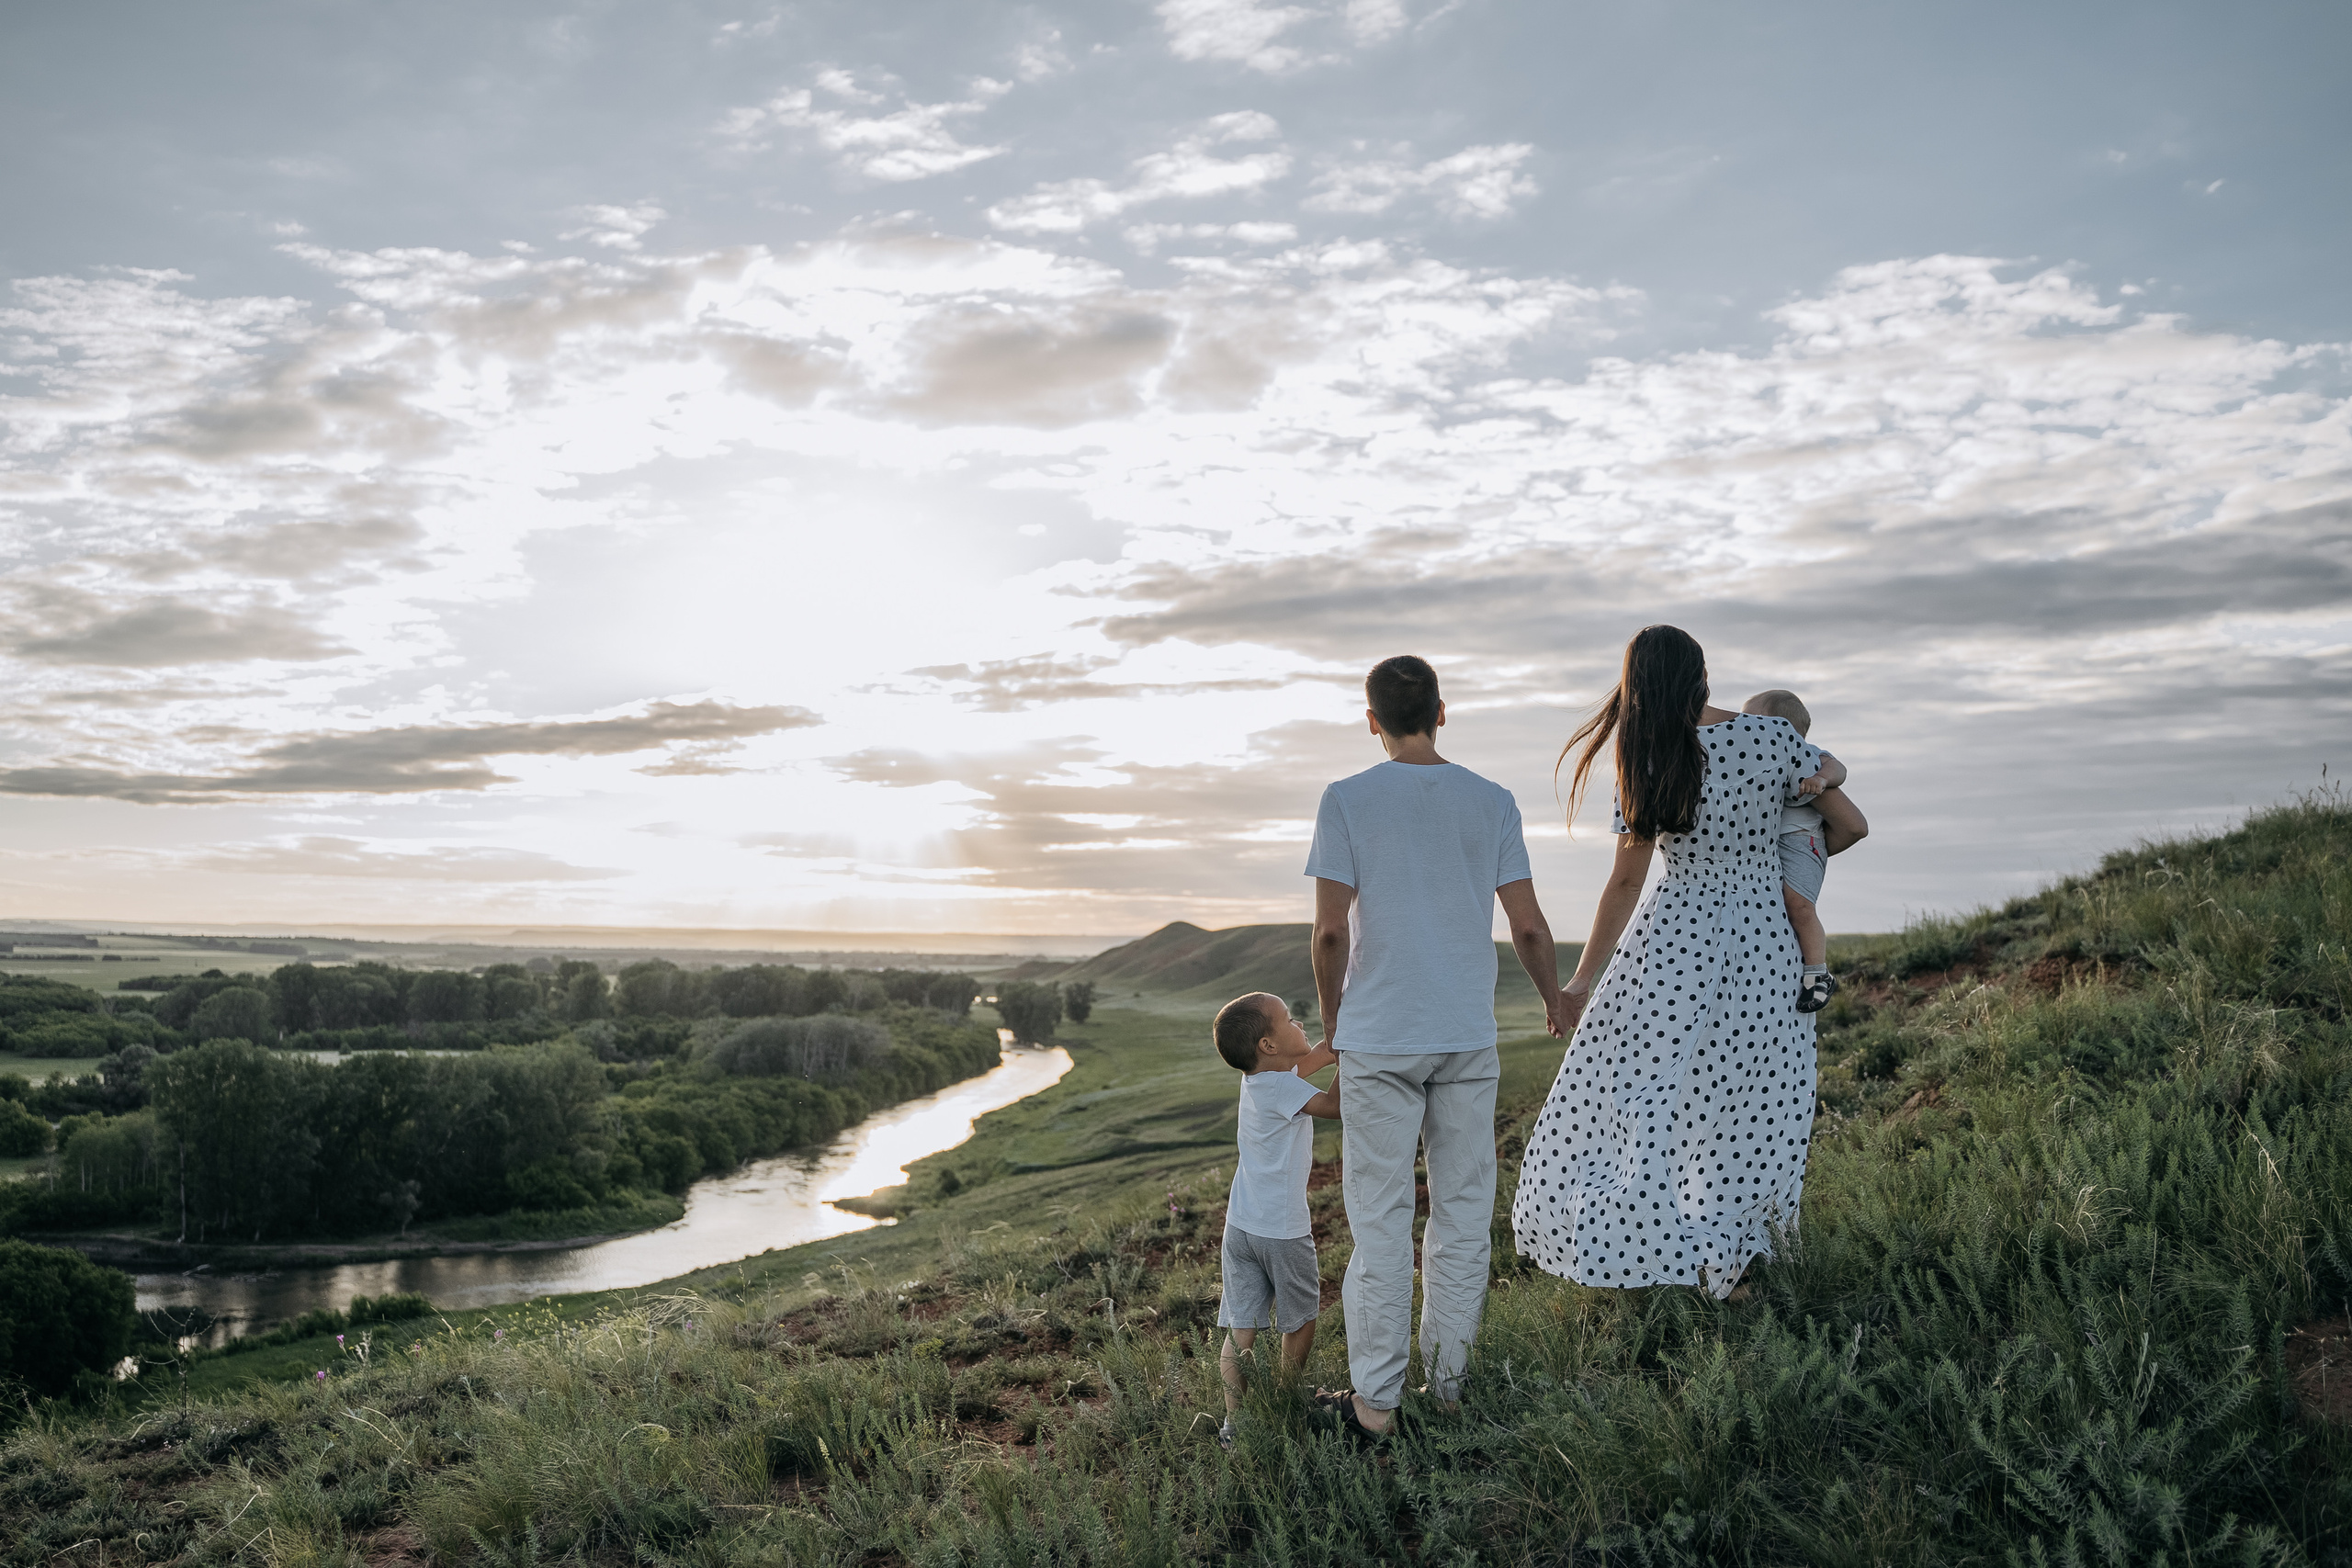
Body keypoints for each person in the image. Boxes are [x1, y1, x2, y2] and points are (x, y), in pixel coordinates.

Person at [1511, 626, 1848, 1301]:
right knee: (1754, 1100)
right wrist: (1784, 870)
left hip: (1674, 945)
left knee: (1651, 1095)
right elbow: (1844, 822)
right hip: (1764, 943)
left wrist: (1580, 984)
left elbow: (1626, 885)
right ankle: (1738, 1262)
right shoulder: (1773, 738)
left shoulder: (1648, 759)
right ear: (1703, 674)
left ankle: (1654, 1247)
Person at [1306, 654, 1567, 1443]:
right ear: (1443, 711)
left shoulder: (1346, 798)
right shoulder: (1492, 801)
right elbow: (1526, 924)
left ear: (1371, 718)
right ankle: (1448, 1388)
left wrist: (1333, 1023)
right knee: (1459, 1211)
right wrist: (1554, 997)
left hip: (1379, 1037)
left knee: (1380, 1220)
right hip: (1464, 1035)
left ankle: (1376, 1406)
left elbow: (1327, 931)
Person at [1210, 992, 1340, 1450]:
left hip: (1241, 1224)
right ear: (1268, 1045)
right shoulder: (1286, 1088)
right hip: (1282, 1231)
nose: (1300, 1023)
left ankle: (1234, 1423)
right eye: (1290, 1019)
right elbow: (1335, 1106)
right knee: (1300, 1316)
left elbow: (1317, 1055)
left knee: (1240, 1324)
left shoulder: (1258, 1082)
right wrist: (1353, 1060)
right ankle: (1287, 1399)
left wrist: (1337, 1045)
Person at [1740, 688, 1871, 1011]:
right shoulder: (1754, 763)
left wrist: (1823, 780)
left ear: (1780, 728)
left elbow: (1838, 768)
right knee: (1779, 907)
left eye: (1751, 721)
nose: (1741, 727)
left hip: (1802, 841)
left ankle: (1817, 974)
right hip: (1772, 846)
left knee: (1799, 907)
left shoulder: (1807, 756)